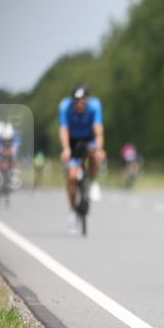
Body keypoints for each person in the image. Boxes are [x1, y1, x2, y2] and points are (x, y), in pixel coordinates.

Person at [59, 85, 105, 232]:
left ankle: (94, 182)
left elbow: (98, 130)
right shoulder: (65, 107)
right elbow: (64, 129)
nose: (79, 104)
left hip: (89, 138)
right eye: (76, 102)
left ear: (87, 100)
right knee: (72, 178)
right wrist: (66, 148)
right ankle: (72, 211)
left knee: (95, 155)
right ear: (72, 101)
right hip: (73, 141)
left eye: (82, 101)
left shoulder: (94, 106)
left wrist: (99, 148)